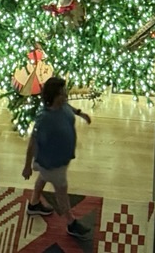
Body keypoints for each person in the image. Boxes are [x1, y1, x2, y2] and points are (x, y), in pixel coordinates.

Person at [22, 74, 92, 235]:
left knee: (43, 177)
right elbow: (32, 143)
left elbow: (68, 107)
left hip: (61, 158)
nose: (66, 95)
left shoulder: (62, 105)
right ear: (54, 97)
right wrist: (27, 166)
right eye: (62, 93)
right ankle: (70, 221)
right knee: (61, 191)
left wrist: (80, 113)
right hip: (52, 162)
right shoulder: (44, 119)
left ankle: (34, 204)